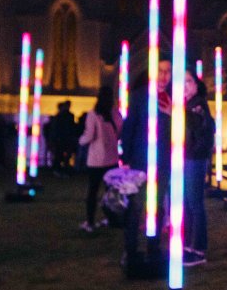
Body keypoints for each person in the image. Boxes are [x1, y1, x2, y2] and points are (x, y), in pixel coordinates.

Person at [119, 58, 172, 260]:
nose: (164, 75)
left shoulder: (172, 98)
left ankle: (153, 246)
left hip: (164, 163)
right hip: (141, 162)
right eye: (160, 70)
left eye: (167, 71)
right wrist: (127, 159)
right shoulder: (140, 97)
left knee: (157, 207)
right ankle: (130, 248)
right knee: (136, 207)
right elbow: (129, 128)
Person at [78, 86, 123, 232]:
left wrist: (80, 141)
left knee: (93, 191)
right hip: (112, 158)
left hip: (97, 160)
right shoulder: (116, 114)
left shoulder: (94, 114)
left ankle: (90, 222)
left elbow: (89, 135)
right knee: (110, 192)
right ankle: (112, 219)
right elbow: (120, 132)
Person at [183, 67, 214, 266]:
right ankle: (190, 245)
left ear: (196, 85)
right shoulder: (189, 104)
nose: (184, 85)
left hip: (195, 158)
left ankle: (198, 249)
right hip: (189, 157)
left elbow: (200, 128)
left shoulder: (198, 105)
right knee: (189, 203)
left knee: (195, 203)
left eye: (188, 81)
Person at [51, 101, 78, 174]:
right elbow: (72, 127)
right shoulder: (68, 115)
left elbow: (56, 127)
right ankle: (64, 168)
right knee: (64, 154)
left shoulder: (59, 116)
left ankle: (58, 168)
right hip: (65, 137)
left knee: (59, 154)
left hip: (61, 138)